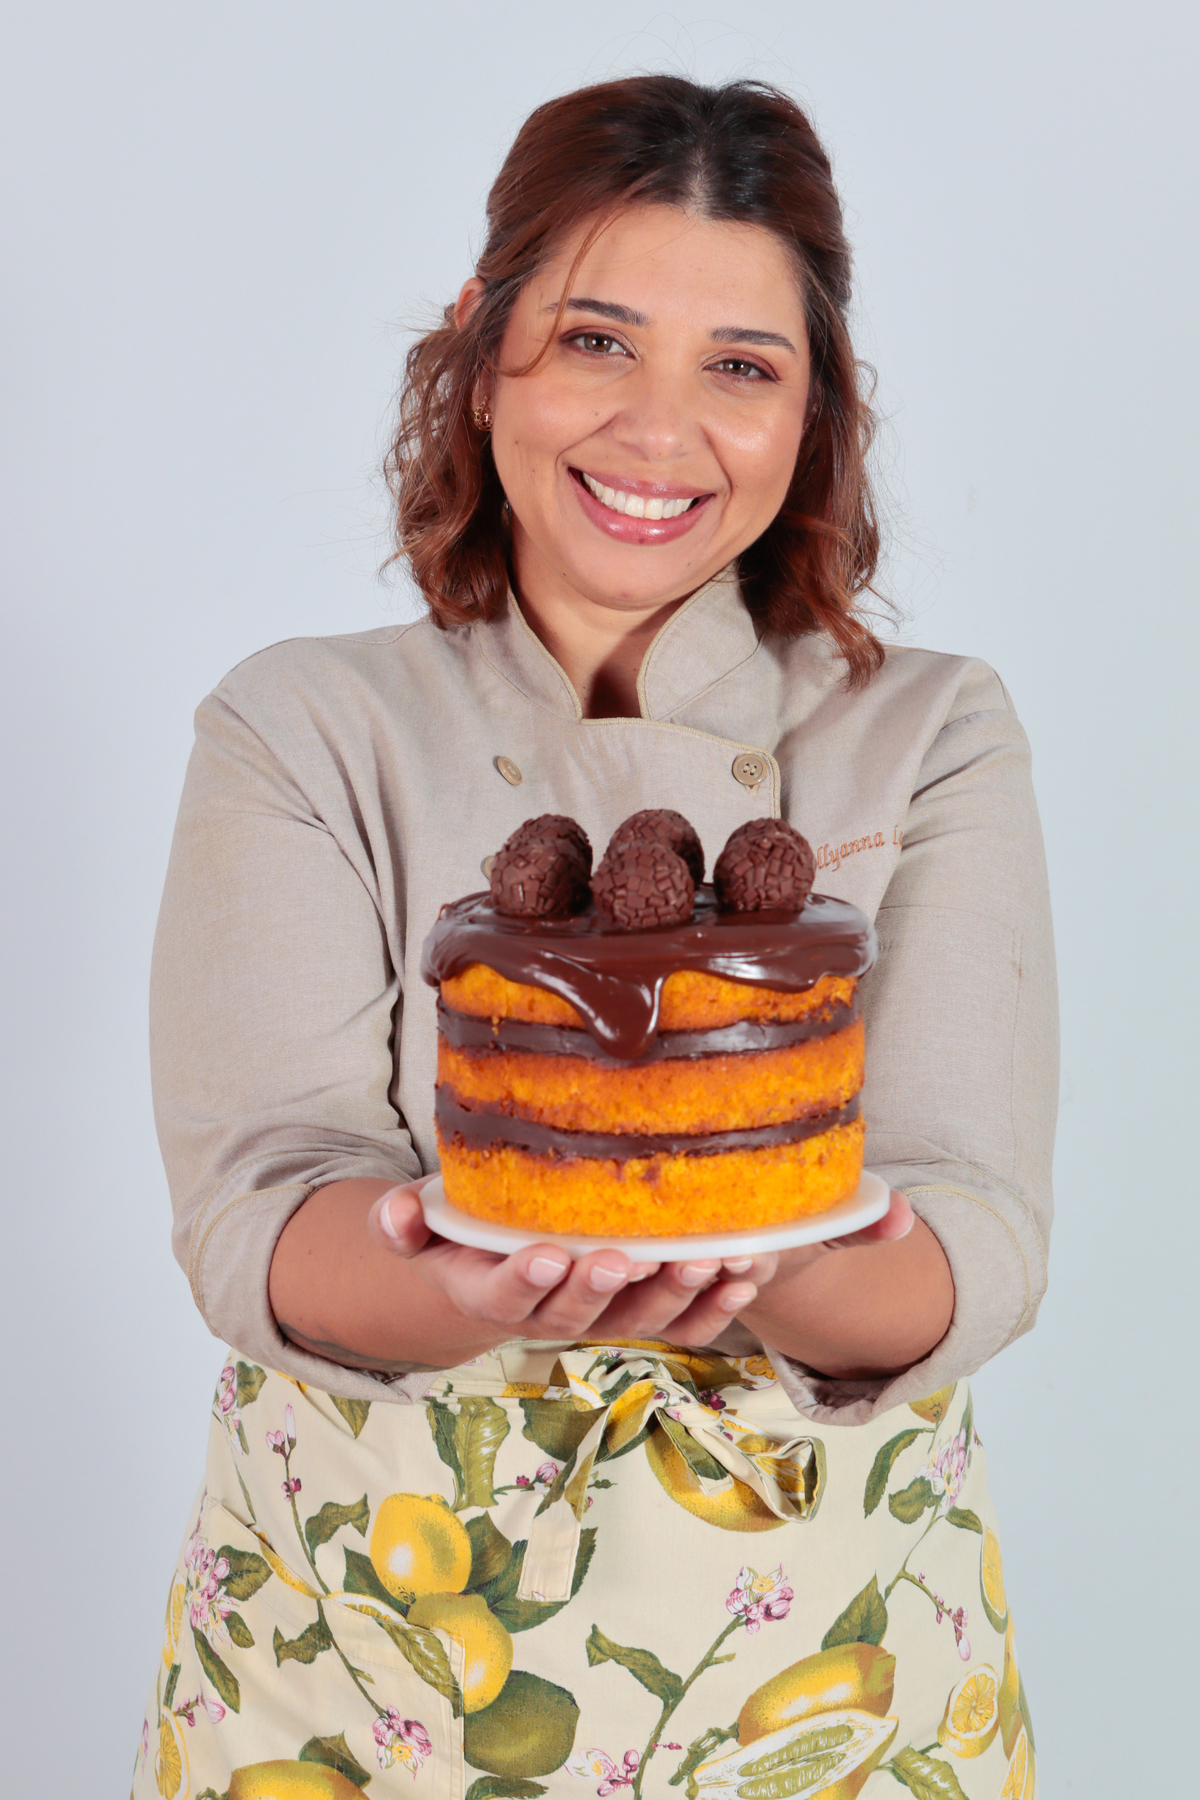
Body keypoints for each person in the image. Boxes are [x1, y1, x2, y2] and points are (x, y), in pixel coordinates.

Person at [132, 76, 1054, 1800]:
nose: (657, 430)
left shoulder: (930, 729)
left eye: (742, 367)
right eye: (596, 340)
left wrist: (761, 1260)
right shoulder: (304, 725)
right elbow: (261, 1206)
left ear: (814, 414)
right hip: (368, 1663)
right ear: (485, 353)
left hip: (820, 1661)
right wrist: (459, 1284)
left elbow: (975, 1226)